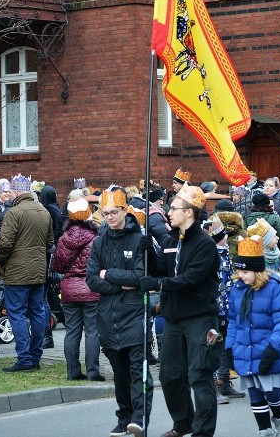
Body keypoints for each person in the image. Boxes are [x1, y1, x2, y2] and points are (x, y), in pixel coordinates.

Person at [140, 184, 221, 437]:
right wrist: (148, 252)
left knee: (199, 375)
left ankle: (202, 431)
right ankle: (182, 424)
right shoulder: (173, 240)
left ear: (189, 212)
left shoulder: (204, 244)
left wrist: (159, 284)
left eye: (173, 208)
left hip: (199, 317)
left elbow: (190, 278)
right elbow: (160, 269)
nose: (168, 212)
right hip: (174, 318)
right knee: (170, 376)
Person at [86, 186, 151, 437]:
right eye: (105, 213)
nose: (110, 217)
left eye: (114, 212)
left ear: (125, 210)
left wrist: (110, 275)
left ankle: (138, 417)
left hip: (134, 314)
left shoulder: (137, 241)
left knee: (137, 371)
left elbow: (139, 277)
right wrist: (119, 286)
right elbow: (91, 279)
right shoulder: (99, 242)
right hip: (107, 316)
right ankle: (123, 416)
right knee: (120, 374)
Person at [227, 233, 280, 436]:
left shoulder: (274, 288)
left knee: (272, 393)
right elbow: (233, 321)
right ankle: (265, 430)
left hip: (266, 349)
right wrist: (229, 348)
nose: (241, 275)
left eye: (245, 271)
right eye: (238, 270)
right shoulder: (237, 289)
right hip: (244, 349)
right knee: (255, 394)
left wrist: (274, 347)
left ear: (257, 270)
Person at [0, 174, 53, 373]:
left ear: (16, 192)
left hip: (17, 273)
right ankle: (35, 356)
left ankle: (24, 358)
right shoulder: (43, 212)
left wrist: (0, 261)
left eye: (11, 192)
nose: (10, 195)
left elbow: (5, 244)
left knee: (17, 314)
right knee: (37, 312)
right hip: (38, 271)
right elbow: (49, 243)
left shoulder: (14, 213)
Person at [53, 198, 104, 381]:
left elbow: (58, 267)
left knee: (72, 332)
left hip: (69, 290)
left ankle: (73, 372)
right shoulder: (97, 237)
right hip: (92, 289)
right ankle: (93, 372)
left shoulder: (63, 239)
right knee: (92, 332)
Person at [205, 216, 245, 404]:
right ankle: (213, 386)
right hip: (215, 306)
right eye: (223, 235)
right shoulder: (212, 254)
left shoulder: (225, 252)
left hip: (228, 306)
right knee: (215, 347)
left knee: (227, 347)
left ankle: (225, 382)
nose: (226, 237)